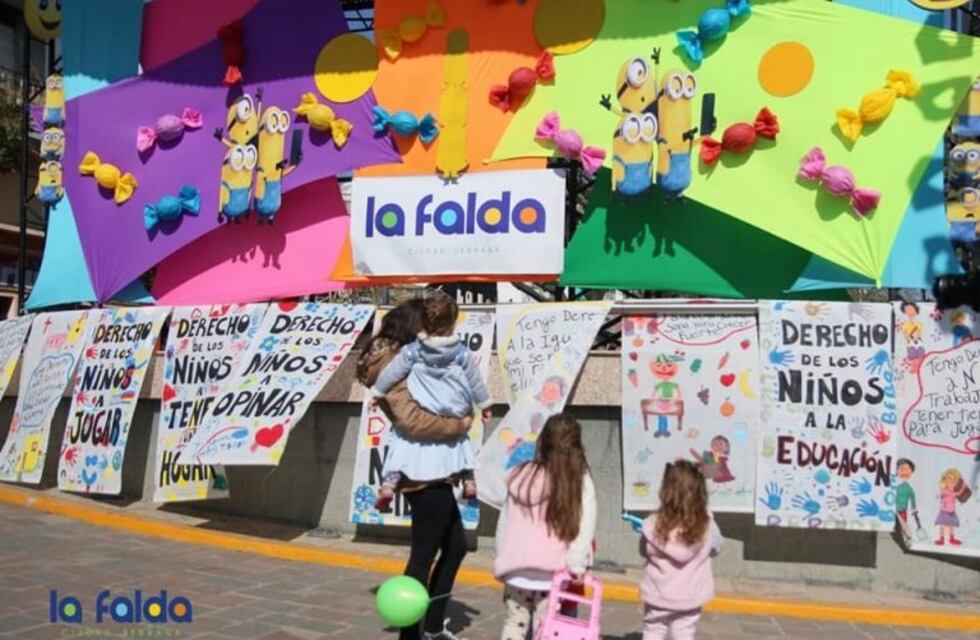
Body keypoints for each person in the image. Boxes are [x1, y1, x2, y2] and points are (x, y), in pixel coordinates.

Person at [356, 298, 477, 640]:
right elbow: (411, 420)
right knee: (423, 554)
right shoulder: (392, 366)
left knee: (455, 547)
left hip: (435, 466)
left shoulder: (412, 362)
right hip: (420, 471)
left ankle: (434, 626)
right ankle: (410, 634)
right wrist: (458, 425)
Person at [370, 293, 491, 509]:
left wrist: (378, 393)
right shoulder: (461, 353)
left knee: (403, 443)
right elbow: (476, 382)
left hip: (426, 403)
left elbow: (391, 374)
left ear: (422, 323)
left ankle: (389, 484)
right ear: (454, 324)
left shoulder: (413, 352)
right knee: (461, 441)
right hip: (455, 406)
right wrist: (485, 405)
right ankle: (469, 479)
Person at [493, 413, 597, 640]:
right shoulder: (578, 480)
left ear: (543, 441)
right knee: (547, 627)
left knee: (513, 624)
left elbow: (505, 520)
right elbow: (584, 528)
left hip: (516, 568)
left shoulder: (522, 474)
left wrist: (502, 556)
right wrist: (577, 566)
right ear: (576, 445)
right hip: (553, 571)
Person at [639, 460, 722, 640]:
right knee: (684, 632)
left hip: (658, 593)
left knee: (653, 630)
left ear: (666, 491)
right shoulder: (707, 525)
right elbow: (717, 548)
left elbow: (643, 550)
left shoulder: (652, 524)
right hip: (690, 594)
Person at [894, 458, 917, 541]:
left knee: (904, 524)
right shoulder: (897, 487)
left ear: (911, 472)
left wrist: (914, 508)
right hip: (895, 509)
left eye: (907, 469)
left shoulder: (909, 488)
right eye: (902, 469)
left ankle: (906, 537)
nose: (904, 472)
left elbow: (912, 498)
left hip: (903, 511)